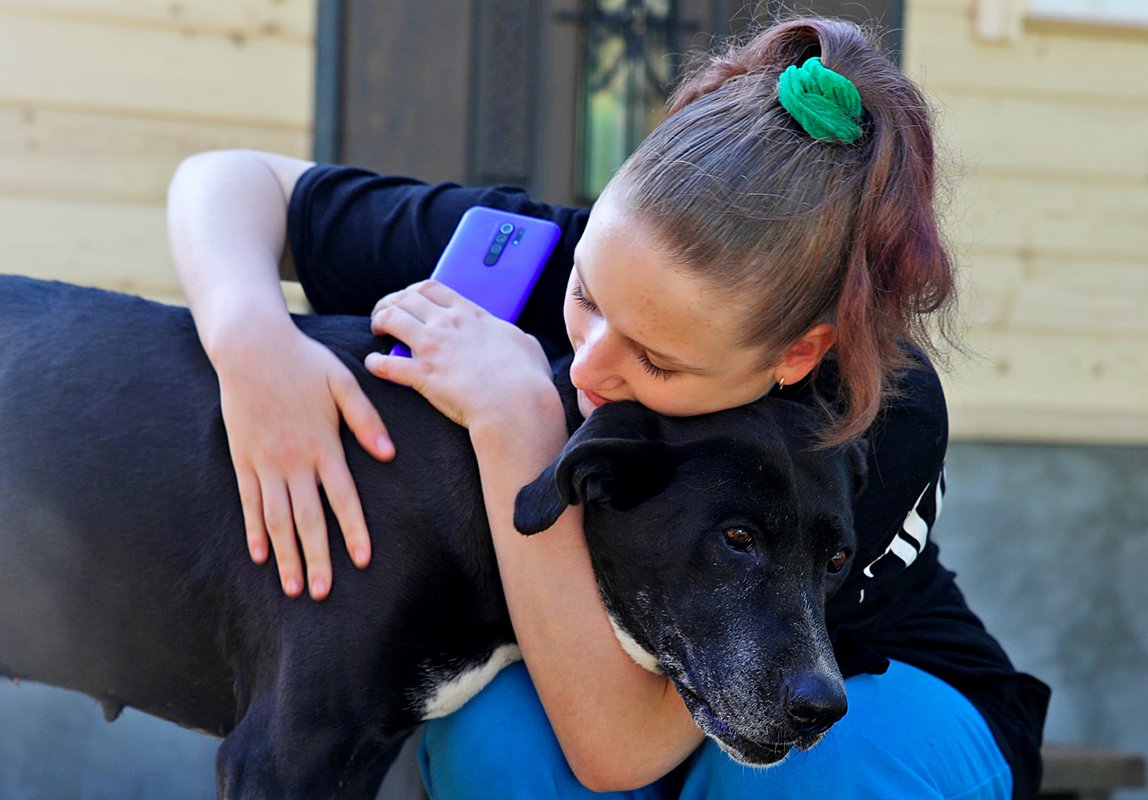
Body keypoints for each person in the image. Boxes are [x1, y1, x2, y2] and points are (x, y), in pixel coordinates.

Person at [167, 14, 1049, 800]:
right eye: (588, 298)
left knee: (817, 780)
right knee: (496, 730)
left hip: (864, 695)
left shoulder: (878, 409)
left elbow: (618, 749)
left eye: (657, 359)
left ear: (796, 355)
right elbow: (231, 184)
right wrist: (252, 342)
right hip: (608, 660)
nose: (590, 362)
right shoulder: (561, 257)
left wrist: (517, 422)